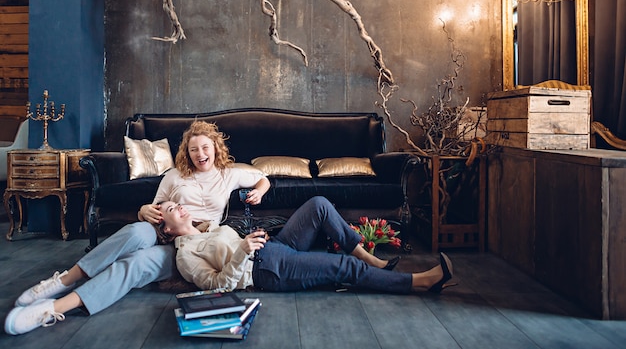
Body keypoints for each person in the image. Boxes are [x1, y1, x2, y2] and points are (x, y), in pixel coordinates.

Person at [4, 121, 273, 336]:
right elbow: (155, 207)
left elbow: (263, 178)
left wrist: (259, 193)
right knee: (136, 232)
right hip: (162, 228)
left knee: (137, 263)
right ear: (186, 153)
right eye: (193, 149)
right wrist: (143, 210)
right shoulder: (174, 175)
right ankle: (63, 280)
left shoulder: (229, 174)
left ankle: (53, 308)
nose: (200, 154)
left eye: (205, 148)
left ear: (215, 148)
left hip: (192, 246)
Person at [158, 197, 454, 295]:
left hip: (273, 247)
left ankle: (368, 257)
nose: (180, 207)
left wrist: (251, 241)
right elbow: (217, 286)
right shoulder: (186, 255)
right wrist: (241, 252)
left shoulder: (207, 226)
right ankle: (422, 282)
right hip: (265, 271)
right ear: (168, 230)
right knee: (343, 267)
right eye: (172, 209)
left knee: (319, 205)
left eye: (177, 204)